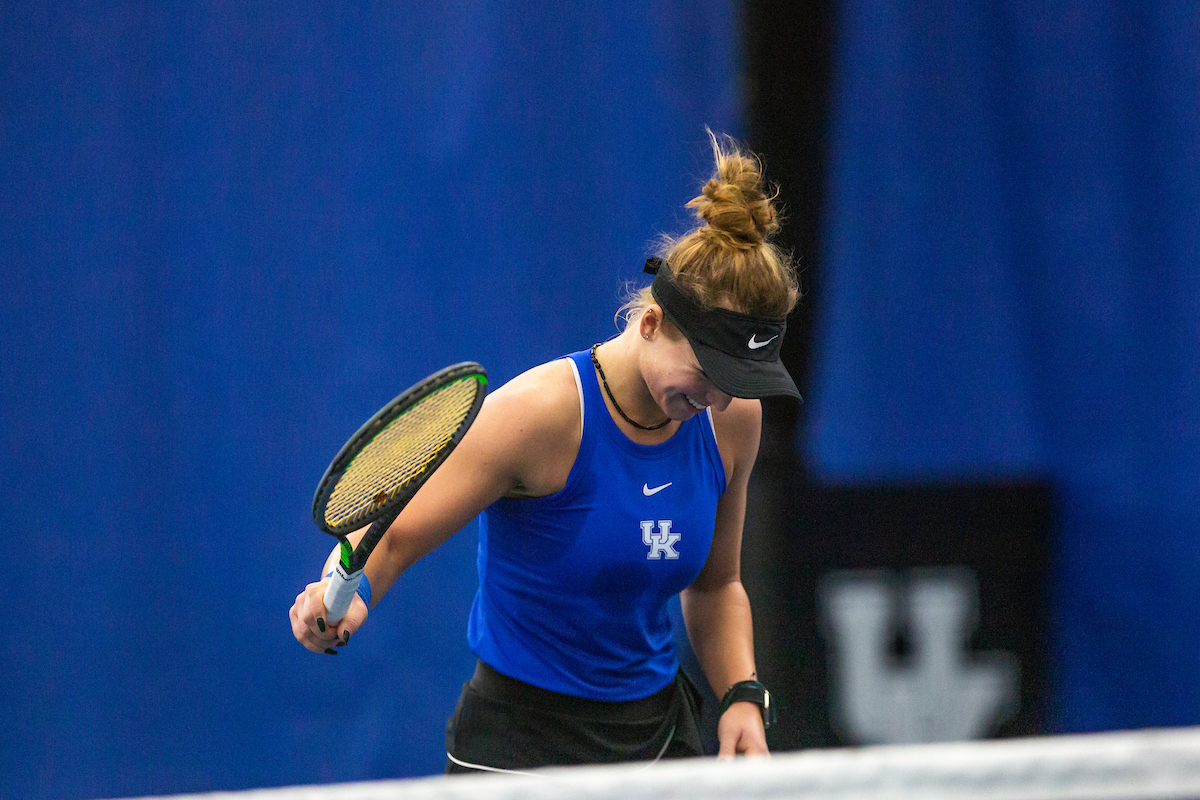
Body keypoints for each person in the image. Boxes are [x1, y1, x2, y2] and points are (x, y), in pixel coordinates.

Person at [289, 132, 801, 774]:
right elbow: (393, 533)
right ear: (650, 325)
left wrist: (741, 696)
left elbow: (718, 582)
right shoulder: (541, 414)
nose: (721, 398)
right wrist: (348, 596)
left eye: (739, 383)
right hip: (517, 753)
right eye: (709, 372)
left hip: (658, 746)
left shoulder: (730, 419)